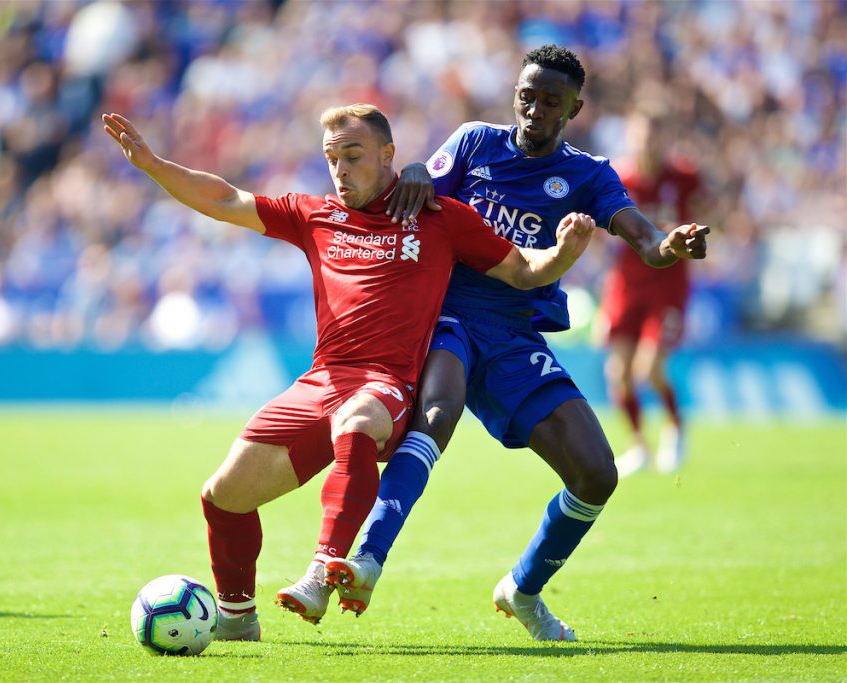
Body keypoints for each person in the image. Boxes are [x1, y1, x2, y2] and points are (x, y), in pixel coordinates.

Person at [102, 103, 597, 642]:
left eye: (353, 156)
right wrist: (152, 164)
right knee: (222, 495)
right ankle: (238, 617)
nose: (340, 169)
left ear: (388, 155)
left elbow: (523, 270)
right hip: (321, 382)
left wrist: (563, 253)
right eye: (332, 157)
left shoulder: (440, 218)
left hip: (389, 384)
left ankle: (322, 570)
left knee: (358, 421)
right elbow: (223, 198)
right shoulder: (313, 214)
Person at [323, 45, 709, 642]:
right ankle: (368, 558)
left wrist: (672, 244)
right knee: (436, 413)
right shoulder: (476, 142)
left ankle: (523, 589)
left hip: (513, 338)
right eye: (527, 97)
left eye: (550, 102)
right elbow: (422, 179)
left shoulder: (590, 176)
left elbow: (646, 238)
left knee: (596, 475)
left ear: (574, 108)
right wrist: (421, 170)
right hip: (446, 314)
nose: (534, 110)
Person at [601, 110, 708, 477]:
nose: (646, 142)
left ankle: (676, 428)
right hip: (626, 284)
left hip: (668, 285)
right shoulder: (619, 178)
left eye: (652, 134)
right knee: (619, 373)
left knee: (650, 368)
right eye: (639, 134)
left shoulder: (683, 177)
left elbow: (709, 213)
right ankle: (639, 447)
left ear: (662, 138)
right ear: (630, 136)